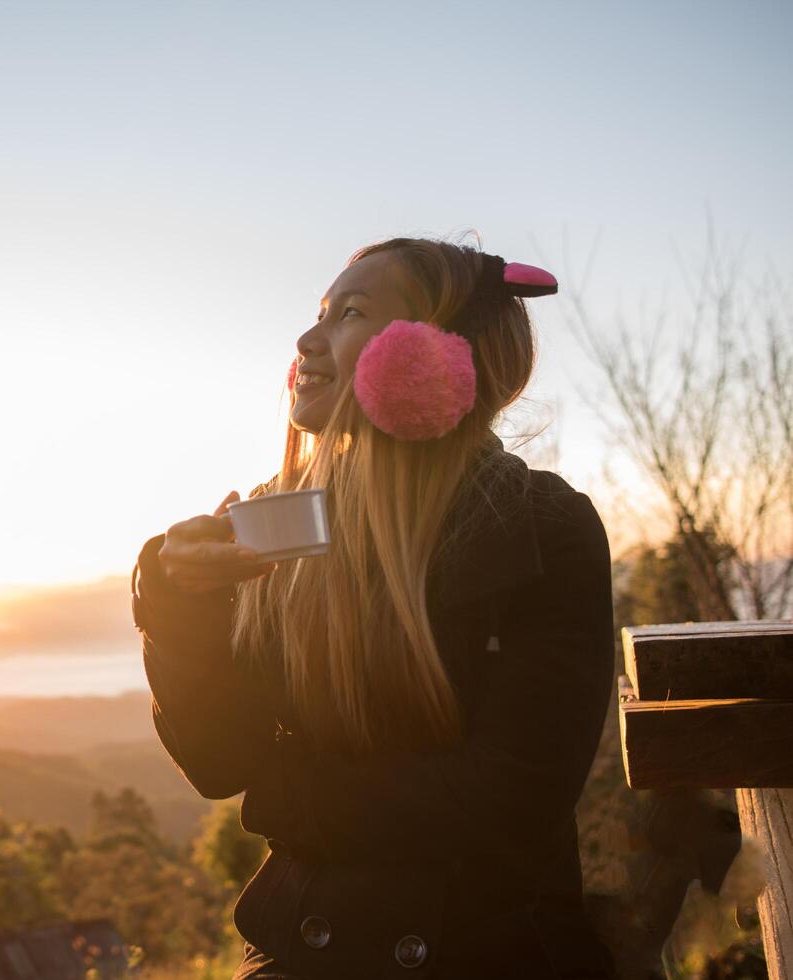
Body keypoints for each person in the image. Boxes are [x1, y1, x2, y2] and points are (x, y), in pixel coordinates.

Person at [130, 237, 619, 978]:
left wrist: (284, 792)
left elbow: (507, 801)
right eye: (317, 314)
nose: (305, 340)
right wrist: (177, 602)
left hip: (487, 955)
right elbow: (217, 758)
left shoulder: (539, 529)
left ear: (432, 357)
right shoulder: (278, 519)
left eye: (348, 312)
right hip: (296, 953)